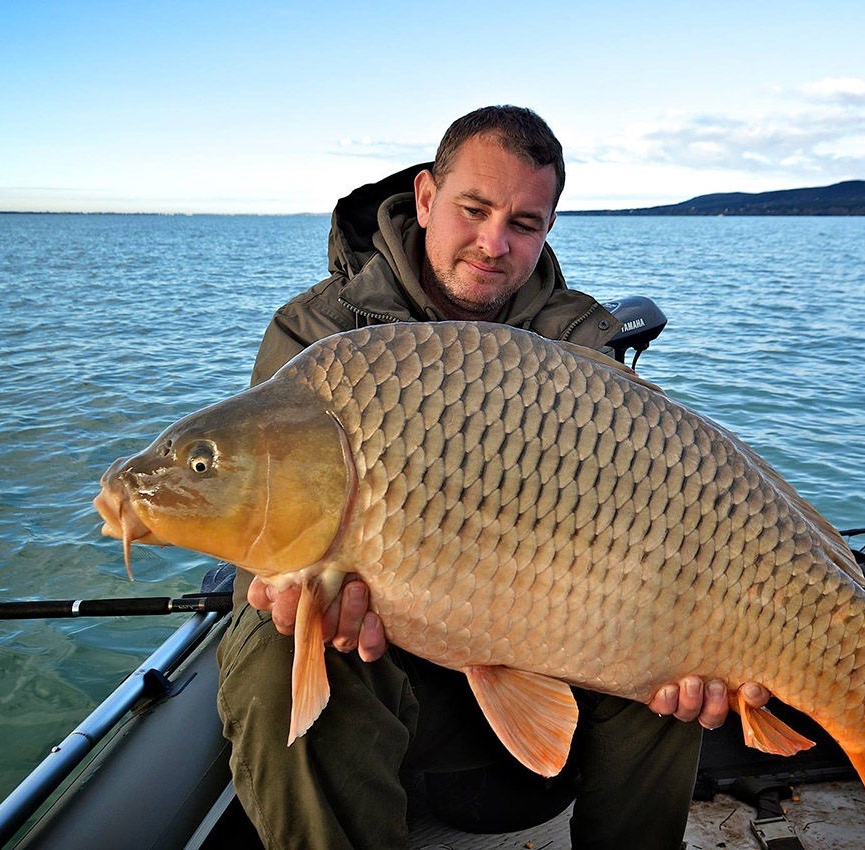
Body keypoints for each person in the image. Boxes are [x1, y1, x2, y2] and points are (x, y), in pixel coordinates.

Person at [216, 105, 769, 850]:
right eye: (473, 209)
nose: (494, 243)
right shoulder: (318, 333)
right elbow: (260, 520)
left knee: (668, 675)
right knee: (282, 643)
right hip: (390, 666)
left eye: (525, 223)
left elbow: (638, 525)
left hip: (543, 631)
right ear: (424, 199)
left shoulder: (578, 341)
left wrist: (702, 646)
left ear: (546, 230)